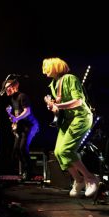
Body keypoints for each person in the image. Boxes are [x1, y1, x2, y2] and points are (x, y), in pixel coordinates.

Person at [42, 57, 98, 197]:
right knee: (59, 152)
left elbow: (78, 101)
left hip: (80, 117)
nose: (44, 72)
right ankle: (78, 180)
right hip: (67, 121)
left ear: (55, 67)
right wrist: (53, 107)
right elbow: (59, 109)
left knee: (67, 150)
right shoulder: (53, 85)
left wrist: (57, 105)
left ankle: (90, 178)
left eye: (46, 68)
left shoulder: (70, 78)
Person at [4, 78, 39, 180]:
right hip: (22, 127)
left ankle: (29, 172)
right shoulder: (13, 99)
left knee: (23, 148)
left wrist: (16, 118)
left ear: (14, 87)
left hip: (30, 125)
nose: (6, 89)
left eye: (7, 87)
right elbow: (17, 115)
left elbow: (27, 111)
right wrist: (12, 117)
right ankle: (26, 170)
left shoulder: (22, 96)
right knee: (16, 150)